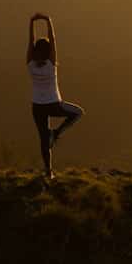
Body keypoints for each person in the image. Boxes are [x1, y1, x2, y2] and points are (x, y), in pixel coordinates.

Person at [26, 13, 84, 179]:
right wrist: (48, 20)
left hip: (37, 107)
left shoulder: (30, 64)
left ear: (35, 50)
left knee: (43, 139)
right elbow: (53, 40)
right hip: (53, 104)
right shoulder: (51, 64)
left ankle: (48, 172)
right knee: (78, 112)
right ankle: (57, 133)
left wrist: (31, 22)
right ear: (48, 51)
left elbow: (30, 42)